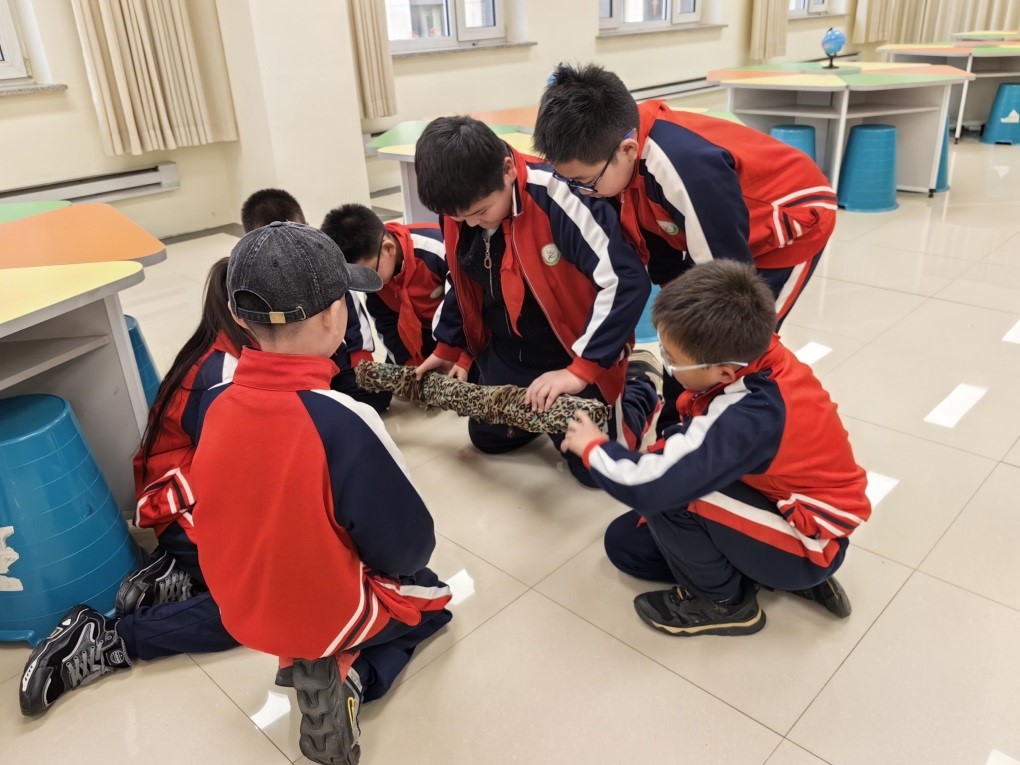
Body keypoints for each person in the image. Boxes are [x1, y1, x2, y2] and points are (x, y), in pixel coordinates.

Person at [190, 222, 452, 765]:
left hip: (240, 607)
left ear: (239, 316)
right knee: (433, 600)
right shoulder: (342, 418)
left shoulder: (214, 401)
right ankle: (350, 673)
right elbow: (408, 546)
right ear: (335, 316)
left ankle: (301, 652)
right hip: (324, 610)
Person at [561, 261, 870, 636]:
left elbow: (653, 484)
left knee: (670, 497)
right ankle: (766, 571)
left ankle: (725, 604)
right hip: (785, 507)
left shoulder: (751, 414)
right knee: (627, 544)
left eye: (673, 359)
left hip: (810, 543)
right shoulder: (758, 356)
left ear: (724, 371)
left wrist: (593, 447)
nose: (667, 364)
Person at [533, 62, 838, 436]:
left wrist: (696, 336)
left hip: (788, 222)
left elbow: (724, 293)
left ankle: (723, 434)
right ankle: (676, 424)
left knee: (731, 344)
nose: (583, 192)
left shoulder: (682, 168)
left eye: (585, 182)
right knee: (682, 338)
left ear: (628, 149)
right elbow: (657, 236)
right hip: (717, 226)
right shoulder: (615, 159)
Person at [20, 257, 249, 716]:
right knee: (253, 608)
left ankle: (175, 577)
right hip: (181, 503)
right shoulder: (227, 376)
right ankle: (104, 640)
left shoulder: (232, 348)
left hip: (184, 495)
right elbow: (243, 481)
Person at [412, 116, 660, 486]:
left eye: (480, 212)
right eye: (460, 218)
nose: (472, 224)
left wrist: (582, 370)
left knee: (594, 472)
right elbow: (462, 280)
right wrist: (449, 348)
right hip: (510, 350)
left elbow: (626, 280)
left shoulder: (558, 195)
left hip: (572, 351)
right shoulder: (460, 209)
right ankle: (543, 413)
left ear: (508, 169)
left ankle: (640, 384)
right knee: (488, 440)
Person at [243, 188, 388, 412]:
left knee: (379, 392)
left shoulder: (324, 266)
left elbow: (353, 315)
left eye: (297, 234)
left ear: (308, 226)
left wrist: (361, 356)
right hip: (285, 373)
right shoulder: (249, 281)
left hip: (333, 359)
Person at [322, 204, 468, 371]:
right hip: (416, 339)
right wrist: (408, 365)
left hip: (462, 333)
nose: (365, 284)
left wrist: (453, 353)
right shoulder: (376, 279)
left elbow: (467, 303)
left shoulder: (437, 248)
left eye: (368, 274)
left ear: (389, 248)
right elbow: (386, 324)